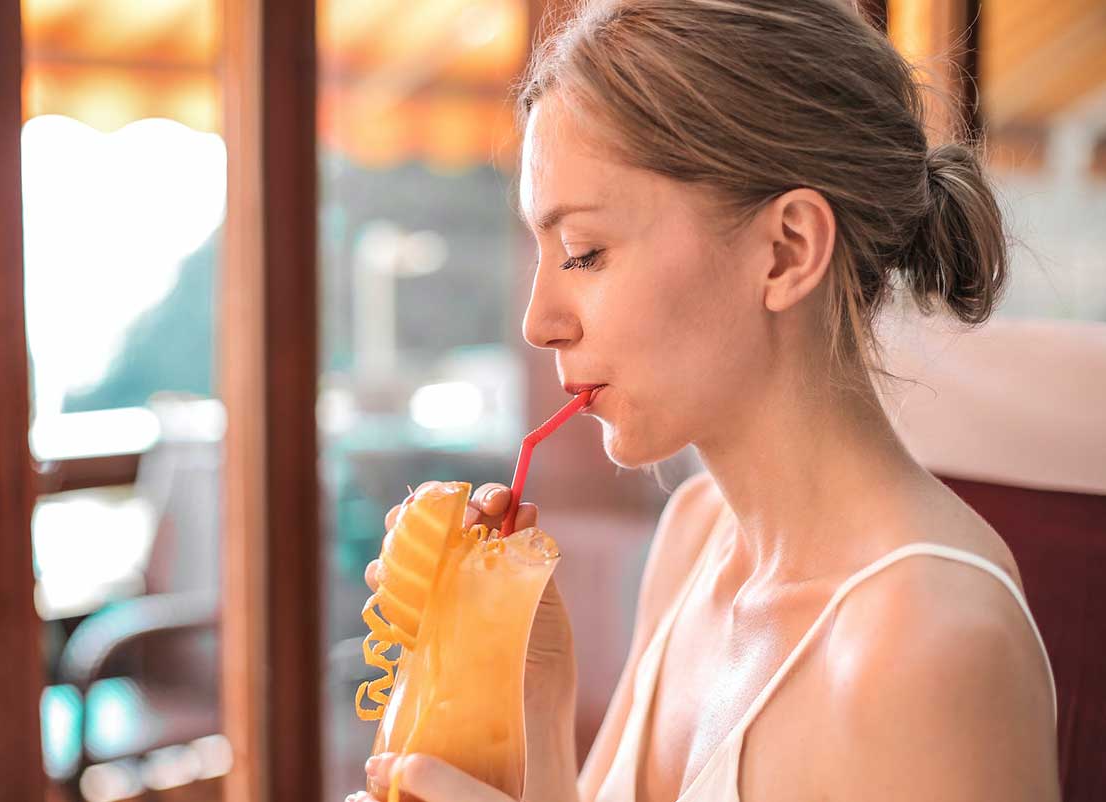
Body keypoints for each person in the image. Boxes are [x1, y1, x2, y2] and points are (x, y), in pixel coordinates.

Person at [347, 0, 1061, 799]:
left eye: (584, 253)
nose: (538, 322)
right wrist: (533, 707)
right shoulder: (694, 539)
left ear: (787, 249)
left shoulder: (928, 646)